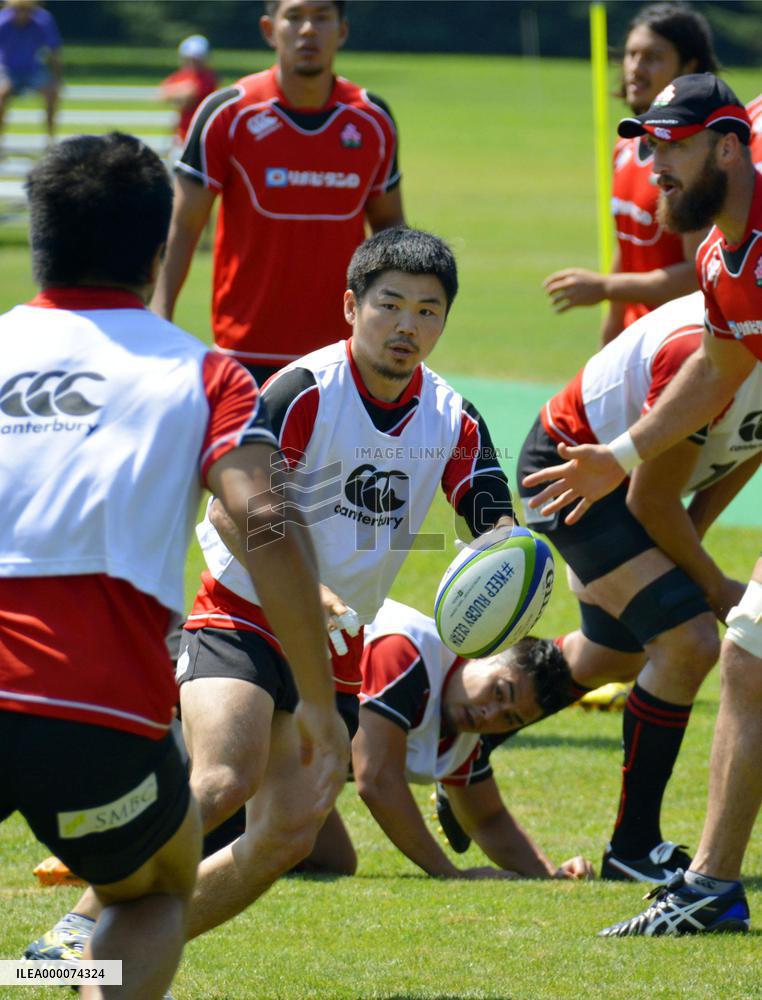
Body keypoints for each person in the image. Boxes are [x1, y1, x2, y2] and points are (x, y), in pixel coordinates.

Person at [28, 227, 514, 956]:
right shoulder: (304, 389)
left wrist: (508, 559)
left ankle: (107, 955)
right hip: (244, 608)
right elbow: (231, 502)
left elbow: (490, 517)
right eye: (390, 305)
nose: (408, 326)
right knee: (225, 776)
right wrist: (307, 588)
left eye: (428, 311)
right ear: (351, 306)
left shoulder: (452, 418)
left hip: (338, 642)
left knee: (288, 832)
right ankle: (75, 927)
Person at [3, 132, 345, 997]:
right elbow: (261, 516)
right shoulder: (205, 375)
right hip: (93, 702)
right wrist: (315, 698)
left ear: (38, 235)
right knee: (154, 889)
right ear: (159, 249)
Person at [524, 73, 760, 935]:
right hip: (574, 468)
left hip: (612, 471)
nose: (647, 161)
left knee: (621, 651)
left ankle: (456, 723)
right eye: (645, 141)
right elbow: (721, 380)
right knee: (711, 645)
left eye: (670, 144)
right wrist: (619, 462)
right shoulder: (717, 267)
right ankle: (654, 857)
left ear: (728, 146)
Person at [516, 290, 761, 883]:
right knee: (689, 642)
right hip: (570, 475)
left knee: (616, 654)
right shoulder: (703, 357)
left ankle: (468, 740)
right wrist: (709, 583)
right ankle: (632, 846)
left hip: (630, 488)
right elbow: (647, 498)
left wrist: (685, 562)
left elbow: (748, 447)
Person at [151, 0, 405, 385]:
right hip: (244, 353)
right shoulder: (227, 114)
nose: (307, 30)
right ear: (270, 29)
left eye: (321, 18)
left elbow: (389, 226)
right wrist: (158, 318)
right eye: (295, 17)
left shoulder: (372, 119)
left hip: (343, 355)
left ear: (342, 31)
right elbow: (184, 225)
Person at [347, 599, 594, 880]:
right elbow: (376, 780)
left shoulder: (465, 730)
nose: (488, 715)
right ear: (486, 653)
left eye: (509, 720)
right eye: (499, 692)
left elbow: (487, 820)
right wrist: (450, 874)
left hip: (294, 755)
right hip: (286, 683)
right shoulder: (405, 651)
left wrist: (552, 876)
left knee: (333, 860)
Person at [543, 2, 718, 344]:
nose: (636, 68)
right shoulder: (625, 147)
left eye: (653, 57)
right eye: (631, 55)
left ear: (689, 66)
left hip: (684, 342)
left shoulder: (696, 158)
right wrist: (611, 332)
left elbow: (699, 275)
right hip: (636, 342)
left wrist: (605, 287)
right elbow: (626, 246)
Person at [0, 0, 62, 146]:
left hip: (33, 69)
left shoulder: (43, 21)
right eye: (18, 10)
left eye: (26, 10)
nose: (22, 14)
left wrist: (56, 79)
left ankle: (50, 139)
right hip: (8, 70)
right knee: (1, 95)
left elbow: (54, 51)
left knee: (52, 93)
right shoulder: (3, 22)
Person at [159, 34, 219, 149]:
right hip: (181, 133)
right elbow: (162, 94)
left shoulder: (208, 76)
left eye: (197, 59)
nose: (193, 62)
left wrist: (178, 92)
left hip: (201, 133)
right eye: (190, 59)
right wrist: (184, 89)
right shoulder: (182, 75)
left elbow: (190, 96)